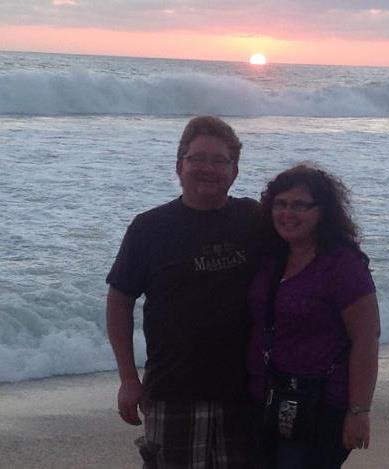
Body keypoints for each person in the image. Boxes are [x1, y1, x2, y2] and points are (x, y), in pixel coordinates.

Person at [106, 116, 261, 468]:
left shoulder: (254, 220)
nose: (208, 168)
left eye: (219, 160)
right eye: (197, 158)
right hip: (173, 391)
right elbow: (119, 301)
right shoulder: (149, 228)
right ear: (179, 166)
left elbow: (305, 250)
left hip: (246, 392)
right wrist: (128, 378)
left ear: (234, 171)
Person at [246, 164, 380, 468]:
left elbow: (366, 339)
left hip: (318, 408)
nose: (287, 213)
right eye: (280, 204)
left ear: (323, 212)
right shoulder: (272, 257)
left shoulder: (342, 265)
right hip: (266, 399)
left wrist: (359, 411)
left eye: (299, 205)